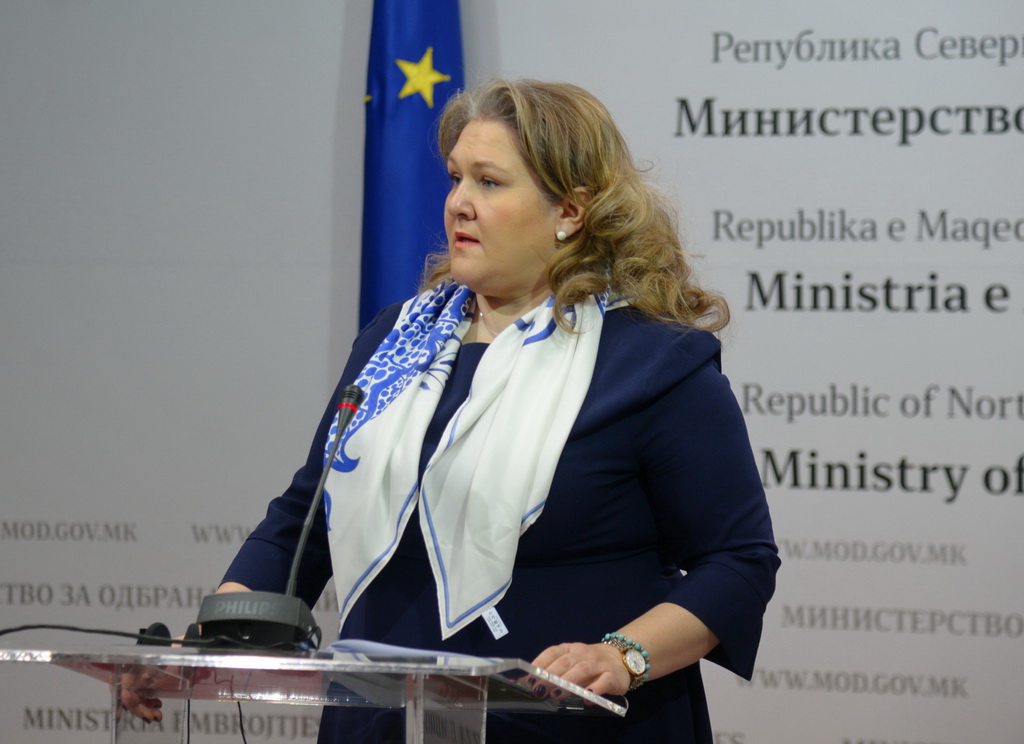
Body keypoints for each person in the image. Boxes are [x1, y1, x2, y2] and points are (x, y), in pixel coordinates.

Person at [218, 79, 779, 744]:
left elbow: (737, 561)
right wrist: (219, 630)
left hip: (568, 724)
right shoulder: (395, 340)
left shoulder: (652, 362)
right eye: (456, 178)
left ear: (570, 211)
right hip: (377, 718)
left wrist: (622, 656)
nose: (459, 202)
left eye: (488, 182)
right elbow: (308, 516)